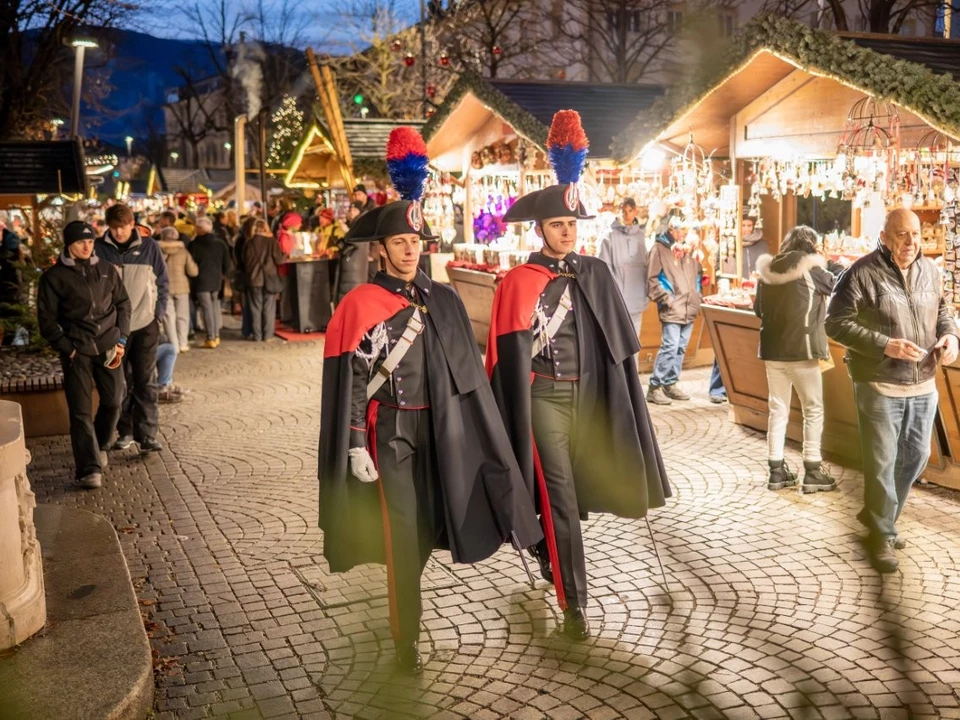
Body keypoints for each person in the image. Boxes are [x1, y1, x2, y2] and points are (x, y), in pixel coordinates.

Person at [319, 127, 540, 674]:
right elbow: (351, 378)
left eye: (416, 242)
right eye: (399, 242)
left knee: (427, 531)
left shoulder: (443, 298)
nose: (409, 248)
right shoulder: (362, 303)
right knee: (402, 536)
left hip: (440, 432)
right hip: (389, 436)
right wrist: (352, 445)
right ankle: (405, 641)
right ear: (382, 248)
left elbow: (465, 375)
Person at [486, 111, 670, 640]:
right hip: (542, 402)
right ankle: (576, 606)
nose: (566, 233)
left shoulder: (594, 271)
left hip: (587, 401)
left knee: (572, 495)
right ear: (539, 229)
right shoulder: (519, 282)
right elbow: (504, 361)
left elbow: (616, 350)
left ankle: (549, 548)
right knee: (561, 498)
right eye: (557, 226)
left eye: (571, 225)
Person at [826, 207, 959, 573]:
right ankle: (881, 534)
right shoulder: (860, 273)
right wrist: (884, 343)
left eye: (915, 234)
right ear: (884, 236)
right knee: (882, 462)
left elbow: (943, 311)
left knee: (916, 455)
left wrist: (950, 336)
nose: (910, 242)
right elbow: (834, 323)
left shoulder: (930, 271)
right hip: (878, 383)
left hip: (923, 382)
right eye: (901, 235)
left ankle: (876, 517)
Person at [37, 221, 130, 488]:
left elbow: (123, 303)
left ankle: (100, 444)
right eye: (81, 242)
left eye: (90, 241)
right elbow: (46, 321)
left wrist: (121, 336)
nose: (87, 246)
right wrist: (68, 347)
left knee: (114, 400)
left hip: (110, 345)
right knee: (80, 411)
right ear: (69, 244)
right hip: (77, 349)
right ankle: (89, 469)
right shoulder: (53, 278)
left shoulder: (106, 270)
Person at [754, 225, 837, 493]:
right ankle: (812, 471)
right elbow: (837, 284)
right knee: (812, 409)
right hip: (803, 350)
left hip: (772, 351)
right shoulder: (812, 267)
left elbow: (758, 310)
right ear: (811, 246)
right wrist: (830, 260)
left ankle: (776, 471)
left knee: (778, 409)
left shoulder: (767, 270)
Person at [96, 203, 169, 453]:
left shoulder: (150, 247)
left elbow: (163, 282)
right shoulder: (99, 249)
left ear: (132, 224)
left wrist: (157, 314)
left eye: (123, 227)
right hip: (114, 328)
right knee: (120, 382)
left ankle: (147, 434)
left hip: (145, 325)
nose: (119, 233)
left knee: (146, 380)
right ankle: (124, 431)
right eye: (114, 228)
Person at [646, 215, 703, 405]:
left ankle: (670, 383)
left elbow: (698, 275)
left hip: (690, 306)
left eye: (687, 230)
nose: (685, 233)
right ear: (672, 229)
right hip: (673, 307)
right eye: (681, 229)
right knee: (670, 347)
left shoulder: (690, 249)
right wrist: (666, 299)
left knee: (680, 348)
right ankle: (655, 387)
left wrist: (698, 296)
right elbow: (652, 280)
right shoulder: (660, 249)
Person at [598, 197, 648, 339]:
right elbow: (604, 269)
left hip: (637, 299)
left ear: (635, 211)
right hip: (618, 300)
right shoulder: (609, 237)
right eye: (623, 211)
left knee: (635, 343)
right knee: (618, 342)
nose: (626, 215)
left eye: (630, 211)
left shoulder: (641, 236)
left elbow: (646, 266)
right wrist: (614, 294)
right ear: (618, 211)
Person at [189, 216, 232, 349]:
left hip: (201, 281)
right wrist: (223, 275)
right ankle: (216, 335)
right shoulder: (220, 243)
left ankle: (211, 337)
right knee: (214, 308)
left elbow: (190, 264)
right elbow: (227, 263)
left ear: (200, 229)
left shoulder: (194, 244)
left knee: (206, 309)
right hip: (216, 280)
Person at [242, 219, 286, 342]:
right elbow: (279, 260)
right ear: (266, 228)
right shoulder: (271, 242)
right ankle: (267, 335)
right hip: (269, 279)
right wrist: (285, 255)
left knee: (255, 308)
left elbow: (243, 261)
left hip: (253, 279)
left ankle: (257, 335)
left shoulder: (248, 243)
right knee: (269, 307)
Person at [157, 226, 197, 352]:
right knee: (183, 316)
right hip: (182, 287)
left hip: (165, 287)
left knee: (169, 317)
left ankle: (174, 346)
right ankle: (183, 343)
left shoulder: (158, 250)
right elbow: (193, 271)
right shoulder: (183, 251)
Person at [741, 215, 769, 279]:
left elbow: (767, 267)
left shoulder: (762, 245)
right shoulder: (730, 245)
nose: (746, 229)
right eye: (743, 225)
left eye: (749, 226)